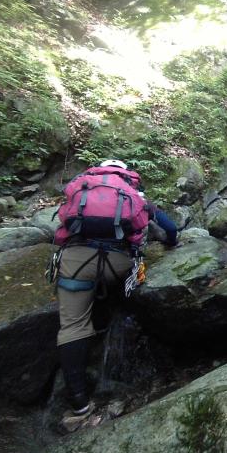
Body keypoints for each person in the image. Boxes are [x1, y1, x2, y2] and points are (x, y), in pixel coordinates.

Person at [51, 159, 177, 415]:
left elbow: (61, 227)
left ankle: (79, 401)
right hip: (117, 263)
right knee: (127, 286)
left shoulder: (81, 187)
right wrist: (172, 243)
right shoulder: (134, 194)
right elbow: (171, 228)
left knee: (72, 326)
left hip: (75, 261)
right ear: (127, 175)